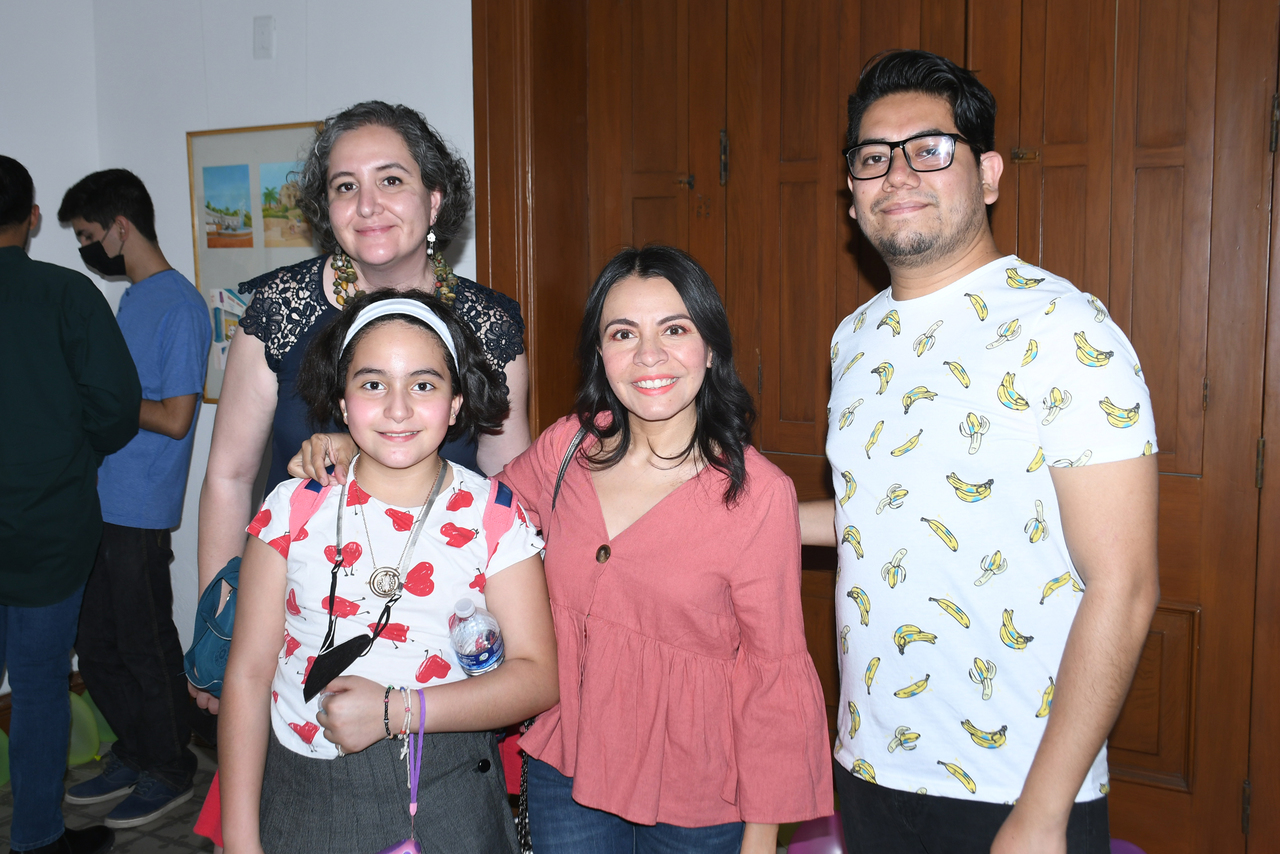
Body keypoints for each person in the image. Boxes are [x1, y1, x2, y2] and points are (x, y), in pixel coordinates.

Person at [799, 50, 1160, 854]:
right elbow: (880, 516)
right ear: (852, 192)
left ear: (988, 174)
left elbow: (1126, 584)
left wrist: (1044, 810)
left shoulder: (1066, 329)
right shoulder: (854, 339)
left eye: (930, 149)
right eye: (872, 157)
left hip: (1016, 784)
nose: (898, 173)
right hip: (870, 765)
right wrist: (726, 511)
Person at [195, 100, 531, 705]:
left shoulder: (488, 325)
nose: (368, 205)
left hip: (441, 618)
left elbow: (512, 481)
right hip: (295, 614)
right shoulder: (278, 311)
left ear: (434, 200)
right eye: (345, 186)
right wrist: (218, 630)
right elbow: (229, 476)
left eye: (391, 180)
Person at [502, 246, 830, 853]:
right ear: (601, 354)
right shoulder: (568, 448)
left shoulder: (758, 495)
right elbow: (470, 520)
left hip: (697, 795)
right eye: (623, 333)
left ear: (711, 348)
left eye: (675, 329)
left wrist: (761, 841)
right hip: (566, 766)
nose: (649, 355)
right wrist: (361, 453)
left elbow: (774, 676)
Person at [218, 289, 557, 854]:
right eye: (373, 384)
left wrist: (397, 711)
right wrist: (239, 838)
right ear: (342, 401)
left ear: (455, 404)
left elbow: (537, 677)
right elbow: (249, 675)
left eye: (423, 385)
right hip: (306, 797)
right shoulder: (292, 509)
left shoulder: (495, 518)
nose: (398, 409)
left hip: (449, 792)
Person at [56, 169, 212, 829]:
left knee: (143, 642)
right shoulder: (133, 299)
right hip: (100, 497)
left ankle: (170, 766)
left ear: (121, 227)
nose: (86, 248)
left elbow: (176, 418)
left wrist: (99, 400)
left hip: (140, 505)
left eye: (88, 235)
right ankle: (138, 749)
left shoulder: (180, 306)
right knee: (95, 644)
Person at [0, 155, 140, 854]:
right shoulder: (65, 294)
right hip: (48, 526)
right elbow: (115, 408)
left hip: (44, 522)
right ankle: (36, 838)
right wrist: (69, 447)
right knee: (38, 687)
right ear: (31, 219)